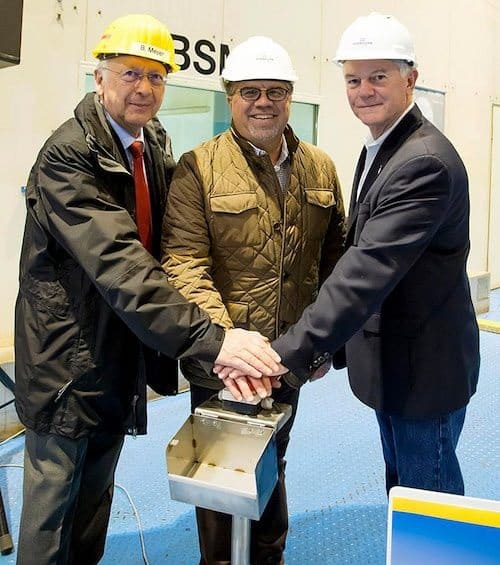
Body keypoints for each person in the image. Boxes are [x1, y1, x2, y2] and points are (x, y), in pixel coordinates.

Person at [14, 15, 280, 565]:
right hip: (67, 362)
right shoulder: (68, 157)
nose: (144, 88)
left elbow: (173, 249)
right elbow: (122, 266)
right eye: (130, 73)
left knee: (94, 504)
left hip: (118, 354)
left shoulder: (150, 143)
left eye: (157, 77)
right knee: (53, 515)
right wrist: (212, 341)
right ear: (100, 77)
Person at [220, 13, 480, 498]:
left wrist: (285, 354)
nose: (365, 90)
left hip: (425, 369)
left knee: (430, 502)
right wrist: (331, 348)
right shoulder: (385, 146)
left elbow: (363, 273)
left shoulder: (422, 161)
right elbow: (356, 252)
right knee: (403, 492)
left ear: (410, 79)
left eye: (379, 77)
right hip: (398, 365)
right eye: (354, 79)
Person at [162, 35, 345, 565]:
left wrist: (321, 344)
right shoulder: (198, 167)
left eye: (274, 91)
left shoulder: (319, 168)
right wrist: (226, 347)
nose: (262, 102)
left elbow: (334, 264)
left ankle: (269, 559)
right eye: (249, 92)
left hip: (288, 357)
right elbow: (184, 265)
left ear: (289, 97)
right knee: (219, 480)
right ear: (229, 97)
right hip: (223, 363)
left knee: (273, 462)